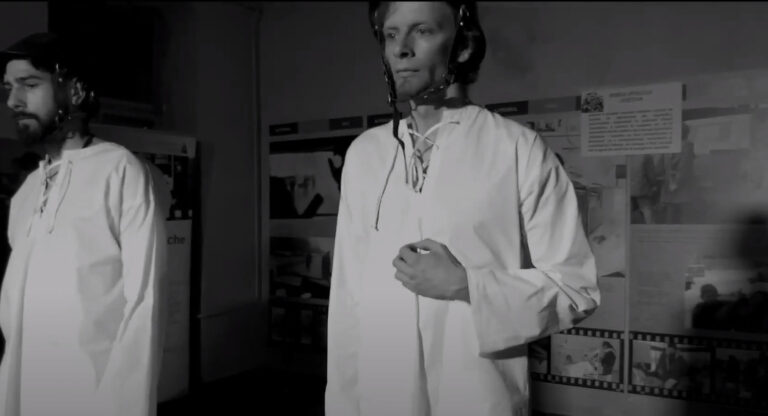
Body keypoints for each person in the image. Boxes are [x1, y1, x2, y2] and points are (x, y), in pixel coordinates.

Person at [325, 2, 600, 415]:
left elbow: (576, 290)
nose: (400, 48)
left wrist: (468, 286)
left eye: (421, 31)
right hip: (381, 398)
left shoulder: (516, 149)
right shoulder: (365, 154)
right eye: (391, 34)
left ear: (463, 46)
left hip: (476, 397)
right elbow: (347, 299)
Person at [0, 32, 168, 416]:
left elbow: (144, 305)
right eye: (8, 88)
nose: (12, 101)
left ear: (74, 91)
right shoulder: (27, 191)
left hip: (93, 399)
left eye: (29, 84)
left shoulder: (120, 171)